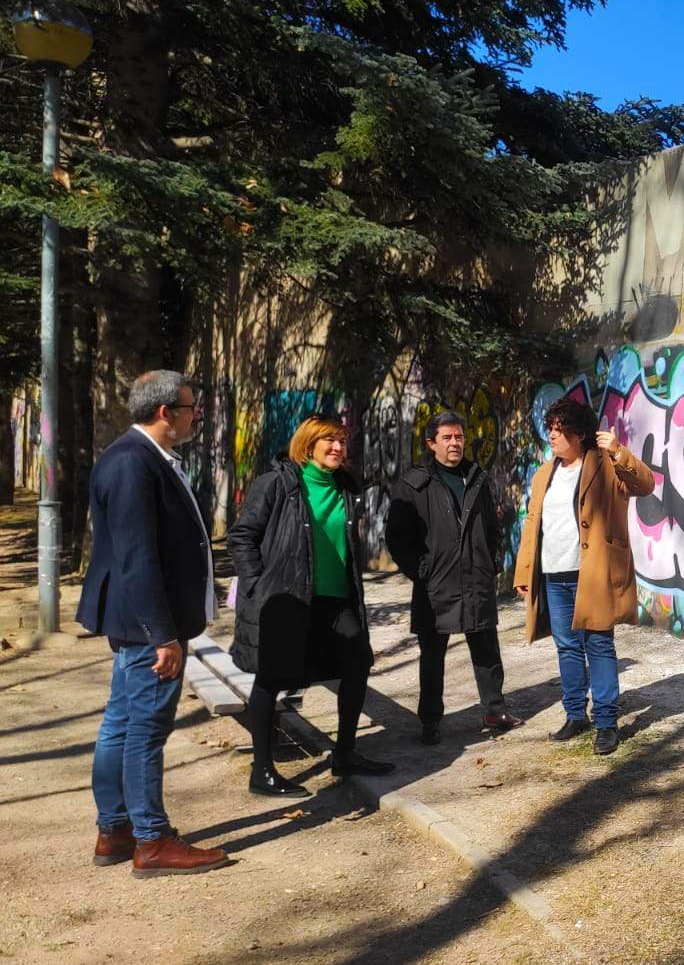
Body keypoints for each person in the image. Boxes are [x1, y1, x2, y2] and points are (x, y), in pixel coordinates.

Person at [77, 370, 229, 877]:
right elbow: (137, 559)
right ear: (166, 412)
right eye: (190, 407)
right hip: (148, 628)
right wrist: (163, 634)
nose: (194, 415)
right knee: (145, 730)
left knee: (121, 725)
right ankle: (150, 839)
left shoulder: (139, 457)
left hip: (141, 623)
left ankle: (115, 830)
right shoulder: (132, 464)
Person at [227, 416, 394, 797]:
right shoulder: (279, 484)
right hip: (288, 598)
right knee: (271, 677)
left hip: (336, 597)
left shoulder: (344, 487)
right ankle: (262, 770)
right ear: (308, 445)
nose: (338, 448)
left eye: (341, 442)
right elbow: (242, 536)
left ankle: (346, 753)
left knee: (357, 663)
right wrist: (259, 584)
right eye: (329, 441)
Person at [513, 397, 654, 756]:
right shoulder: (545, 472)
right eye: (550, 430)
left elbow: (646, 484)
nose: (551, 437)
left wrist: (619, 450)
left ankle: (606, 722)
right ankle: (576, 714)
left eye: (558, 431)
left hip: (590, 572)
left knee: (599, 644)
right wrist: (524, 570)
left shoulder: (604, 464)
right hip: (553, 572)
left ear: (578, 434)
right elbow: (533, 524)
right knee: (567, 646)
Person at [385, 410, 523, 744]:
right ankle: (430, 720)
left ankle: (494, 708)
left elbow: (492, 527)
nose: (455, 443)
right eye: (446, 438)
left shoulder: (476, 476)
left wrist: (491, 563)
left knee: (486, 648)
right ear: (431, 443)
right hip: (436, 584)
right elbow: (397, 537)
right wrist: (422, 570)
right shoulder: (414, 483)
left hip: (476, 578)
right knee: (432, 656)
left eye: (459, 436)